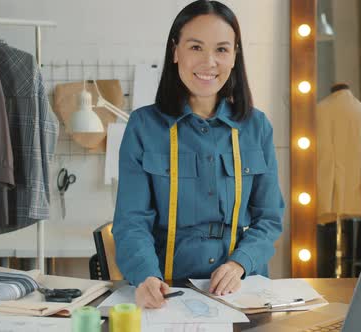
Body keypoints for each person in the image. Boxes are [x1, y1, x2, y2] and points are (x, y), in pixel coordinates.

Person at [112, 0, 285, 309]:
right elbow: (132, 221)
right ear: (175, 51)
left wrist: (239, 264)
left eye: (221, 49)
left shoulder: (257, 126)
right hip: (167, 290)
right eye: (195, 47)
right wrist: (146, 276)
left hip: (242, 290)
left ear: (234, 56)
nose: (209, 62)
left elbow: (269, 219)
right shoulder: (143, 126)